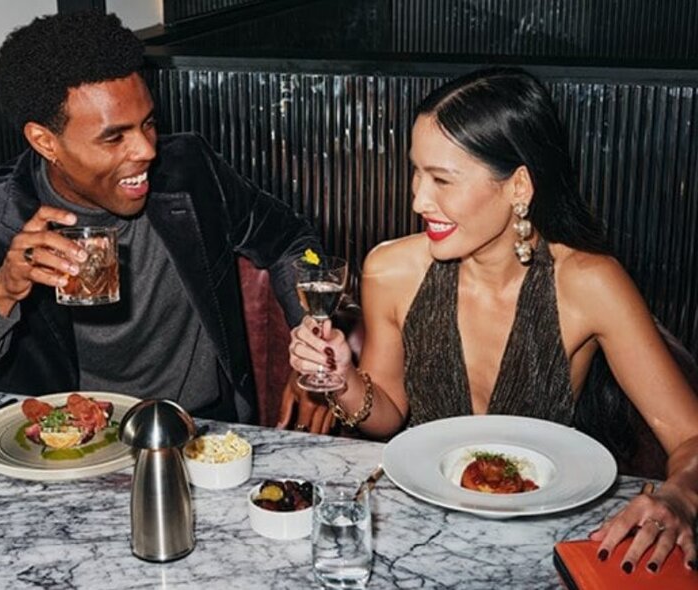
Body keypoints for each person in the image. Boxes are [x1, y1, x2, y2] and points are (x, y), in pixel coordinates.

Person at [288, 67, 698, 572]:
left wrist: (680, 497)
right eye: (416, 172)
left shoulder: (589, 283)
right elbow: (389, 412)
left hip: (541, 552)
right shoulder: (390, 269)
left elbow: (690, 437)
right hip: (419, 542)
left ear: (518, 186)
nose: (418, 199)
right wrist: (343, 378)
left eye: (442, 179)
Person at [0, 11, 320, 431]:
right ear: (45, 141)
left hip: (198, 432)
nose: (146, 150)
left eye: (147, 124)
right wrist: (0, 294)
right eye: (114, 137)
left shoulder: (190, 170)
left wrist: (312, 343)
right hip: (66, 455)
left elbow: (293, 243)